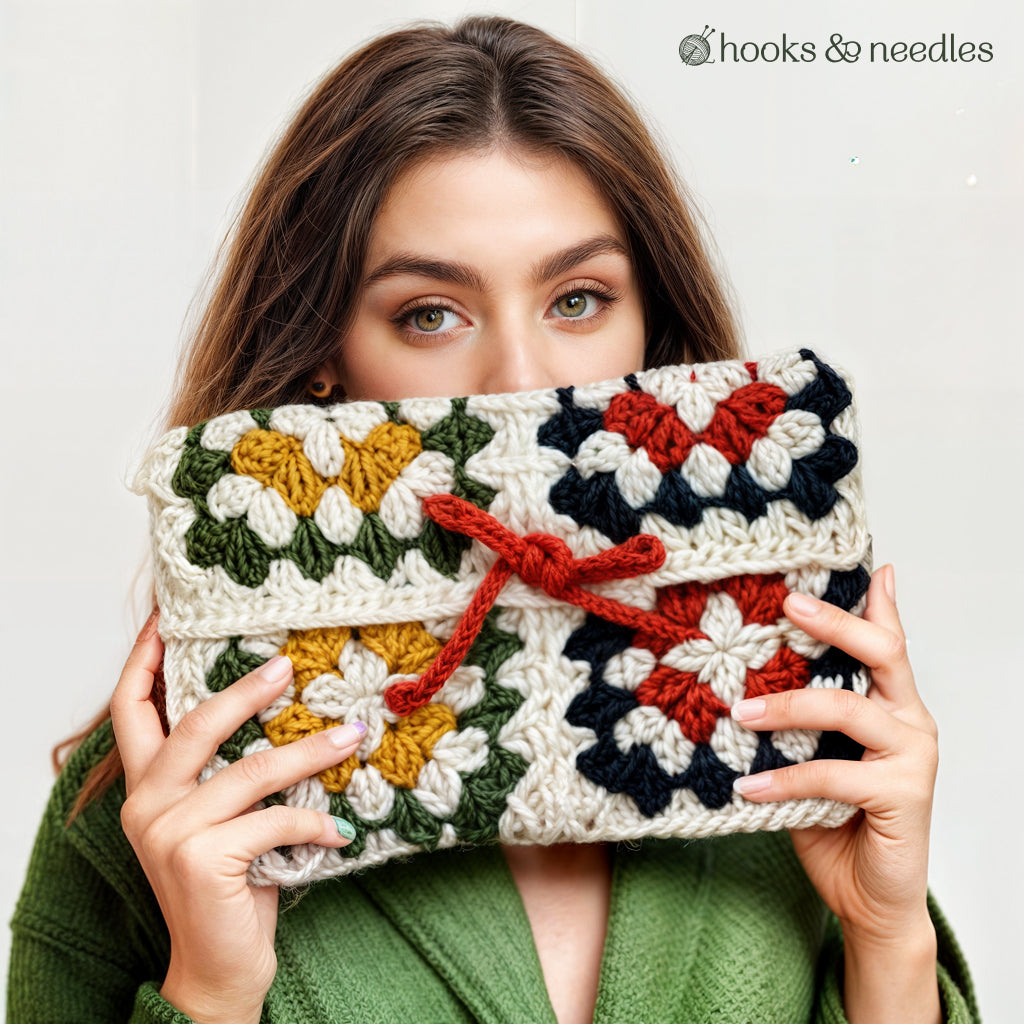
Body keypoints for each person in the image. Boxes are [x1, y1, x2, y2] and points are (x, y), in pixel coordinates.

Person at [7, 15, 978, 1024]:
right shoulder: (174, 793)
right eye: (430, 313)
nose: (520, 379)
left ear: (654, 329)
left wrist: (886, 940)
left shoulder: (779, 723)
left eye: (578, 299)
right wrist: (209, 993)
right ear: (321, 352)